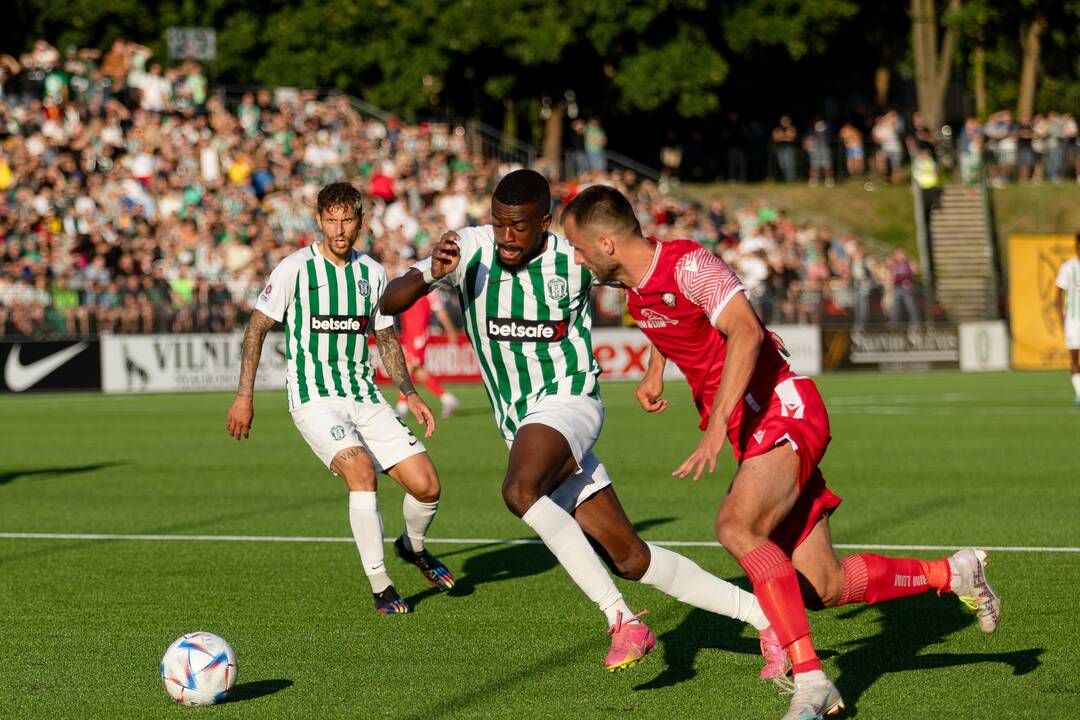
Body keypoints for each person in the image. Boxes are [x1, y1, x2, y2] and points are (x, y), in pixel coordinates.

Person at [561, 185, 1001, 720]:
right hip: (754, 429)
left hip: (781, 408)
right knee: (823, 586)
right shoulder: (636, 292)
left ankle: (812, 680)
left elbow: (744, 331)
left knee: (736, 527)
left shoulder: (690, 263)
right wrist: (656, 372)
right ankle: (952, 574)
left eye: (580, 249)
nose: (577, 259)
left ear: (606, 243)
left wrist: (715, 424)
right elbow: (675, 327)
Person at [380, 169, 786, 676]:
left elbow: (650, 283)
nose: (508, 237)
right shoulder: (468, 249)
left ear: (545, 222)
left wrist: (660, 363)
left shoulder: (574, 259)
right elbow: (388, 301)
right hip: (521, 423)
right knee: (631, 558)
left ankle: (622, 620)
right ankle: (766, 619)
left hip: (569, 401)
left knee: (519, 490)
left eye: (520, 227)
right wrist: (431, 273)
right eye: (500, 224)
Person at [225, 182, 456, 615]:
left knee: (427, 488)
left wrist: (409, 391)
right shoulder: (295, 269)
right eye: (331, 220)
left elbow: (385, 337)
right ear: (318, 220)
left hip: (365, 395)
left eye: (347, 220)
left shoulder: (372, 273)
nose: (339, 229)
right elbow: (256, 327)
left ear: (360, 221)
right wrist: (244, 396)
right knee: (361, 470)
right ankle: (381, 583)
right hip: (315, 398)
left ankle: (413, 547)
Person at [386, 253, 460, 419]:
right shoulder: (405, 284)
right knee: (418, 372)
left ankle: (401, 407)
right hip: (409, 334)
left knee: (406, 367)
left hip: (418, 334)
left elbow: (439, 311)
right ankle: (448, 398)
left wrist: (450, 331)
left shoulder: (429, 287)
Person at [1055, 235, 1080, 406]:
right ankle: (1079, 394)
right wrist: (1061, 320)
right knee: (1074, 358)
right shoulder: (1068, 267)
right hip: (1073, 320)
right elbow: (1057, 296)